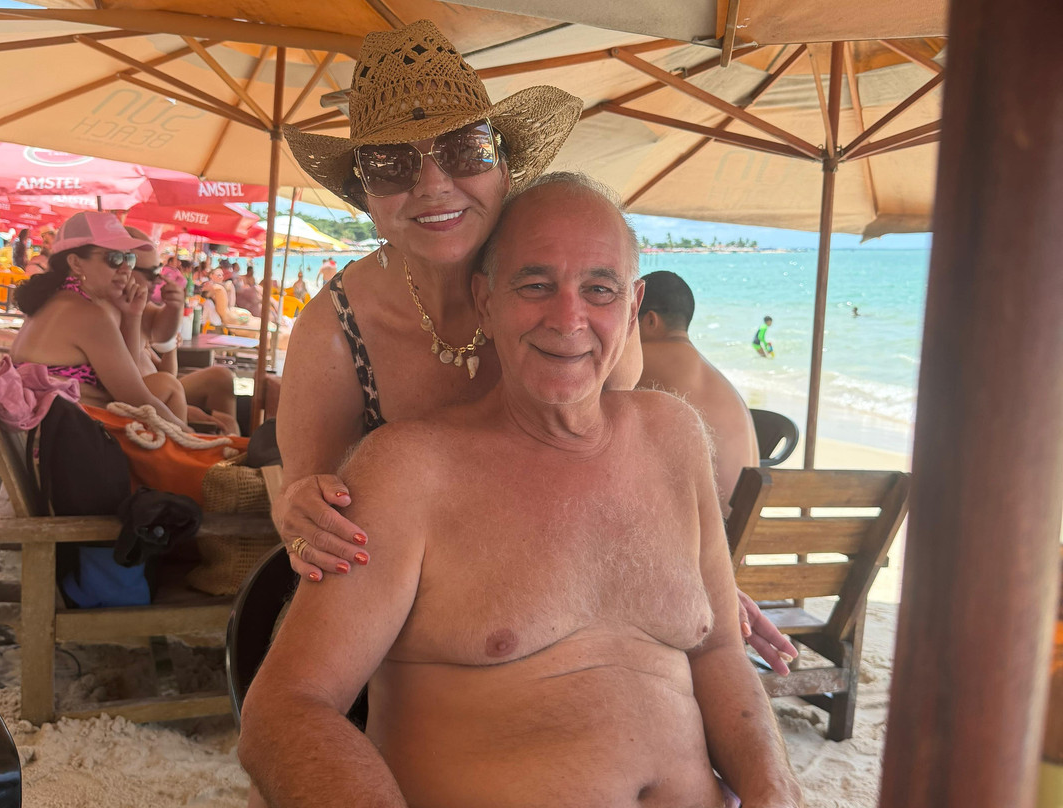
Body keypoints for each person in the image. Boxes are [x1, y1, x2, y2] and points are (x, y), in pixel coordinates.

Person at [239, 174, 803, 808]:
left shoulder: (674, 438)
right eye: (535, 285)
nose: (568, 319)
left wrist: (774, 791)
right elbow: (286, 707)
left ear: (633, 306)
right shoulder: (408, 472)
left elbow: (721, 650)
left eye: (600, 289)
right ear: (485, 301)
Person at [272, 19, 790, 675]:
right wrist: (298, 517)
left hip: (563, 597)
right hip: (409, 634)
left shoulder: (575, 311)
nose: (433, 185)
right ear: (362, 194)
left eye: (465, 151)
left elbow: (615, 478)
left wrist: (692, 581)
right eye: (390, 164)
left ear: (505, 165)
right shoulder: (335, 330)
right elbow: (306, 517)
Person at [9, 211, 190, 430]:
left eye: (129, 259)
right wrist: (192, 437)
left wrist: (132, 316)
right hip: (67, 441)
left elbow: (129, 381)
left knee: (167, 387)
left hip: (50, 436)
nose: (125, 269)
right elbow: (136, 398)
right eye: (114, 259)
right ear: (76, 263)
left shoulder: (56, 300)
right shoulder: (88, 314)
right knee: (169, 389)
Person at [637, 270, 760, 516]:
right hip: (741, 532)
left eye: (628, 319)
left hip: (705, 534)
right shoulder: (714, 376)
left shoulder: (643, 359)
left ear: (650, 320)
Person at [124, 226, 240, 435]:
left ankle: (226, 445)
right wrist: (185, 414)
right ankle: (217, 443)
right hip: (140, 400)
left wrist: (174, 312)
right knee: (176, 388)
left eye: (159, 272)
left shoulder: (138, 309)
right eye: (151, 273)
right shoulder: (115, 314)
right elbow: (134, 384)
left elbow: (167, 372)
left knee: (221, 378)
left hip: (158, 390)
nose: (158, 280)